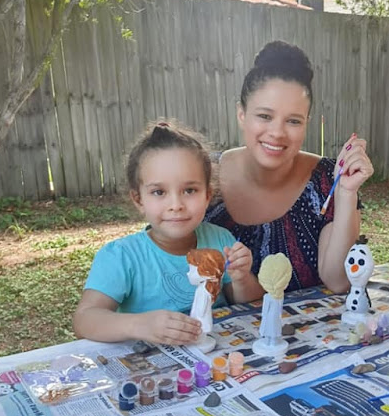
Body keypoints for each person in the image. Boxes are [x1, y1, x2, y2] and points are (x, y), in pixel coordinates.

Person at [205, 41, 374, 293]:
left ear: (307, 121)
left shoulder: (328, 179)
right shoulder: (203, 176)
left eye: (293, 121)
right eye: (264, 116)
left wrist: (347, 193)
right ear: (242, 114)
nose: (277, 133)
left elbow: (338, 281)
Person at [73, 122, 264, 345]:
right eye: (159, 192)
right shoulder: (121, 257)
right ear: (139, 199)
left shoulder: (220, 240)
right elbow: (84, 320)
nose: (176, 205)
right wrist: (140, 325)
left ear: (207, 195)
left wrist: (241, 278)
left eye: (189, 190)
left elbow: (251, 303)